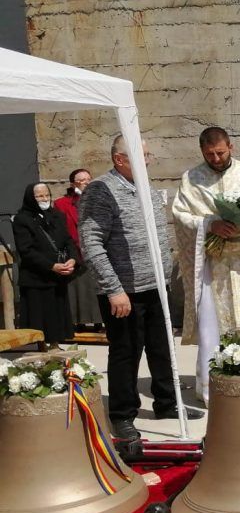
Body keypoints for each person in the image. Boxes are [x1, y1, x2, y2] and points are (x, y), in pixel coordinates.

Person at [80, 135, 197, 441]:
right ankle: (123, 414)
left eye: (148, 154)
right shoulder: (101, 190)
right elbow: (91, 242)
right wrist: (113, 289)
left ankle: (167, 403)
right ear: (120, 159)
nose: (149, 160)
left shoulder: (145, 187)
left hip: (156, 286)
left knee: (162, 349)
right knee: (125, 353)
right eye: (141, 155)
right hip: (124, 291)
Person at [172, 127, 240, 404]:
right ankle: (216, 389)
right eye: (209, 154)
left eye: (220, 152)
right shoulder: (192, 178)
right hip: (216, 264)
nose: (216, 159)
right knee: (213, 326)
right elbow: (180, 217)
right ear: (202, 152)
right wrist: (210, 224)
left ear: (231, 147)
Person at [13, 182, 78, 346]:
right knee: (39, 314)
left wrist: (72, 258)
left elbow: (68, 240)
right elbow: (26, 250)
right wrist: (51, 266)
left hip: (58, 276)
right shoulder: (22, 219)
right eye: (40, 196)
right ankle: (42, 347)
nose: (45, 199)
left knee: (56, 311)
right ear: (31, 198)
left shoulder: (57, 215)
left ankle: (55, 345)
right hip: (37, 276)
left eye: (47, 195)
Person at [53, 168, 105, 331]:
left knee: (97, 288)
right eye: (82, 180)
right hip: (75, 252)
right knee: (77, 289)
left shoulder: (98, 200)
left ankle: (99, 321)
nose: (86, 183)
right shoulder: (62, 203)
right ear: (73, 183)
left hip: (96, 249)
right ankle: (78, 323)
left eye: (88, 179)